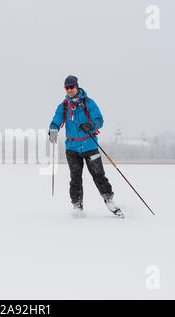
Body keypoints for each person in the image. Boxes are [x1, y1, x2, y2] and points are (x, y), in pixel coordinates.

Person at [48, 75, 123, 218]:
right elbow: (56, 120)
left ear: (76, 87)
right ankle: (77, 206)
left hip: (90, 146)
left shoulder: (88, 103)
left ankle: (109, 200)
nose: (69, 90)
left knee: (98, 175)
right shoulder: (63, 106)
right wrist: (53, 130)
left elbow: (99, 119)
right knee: (75, 178)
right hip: (72, 149)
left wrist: (91, 125)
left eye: (72, 87)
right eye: (67, 87)